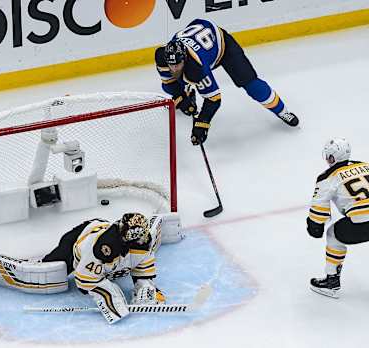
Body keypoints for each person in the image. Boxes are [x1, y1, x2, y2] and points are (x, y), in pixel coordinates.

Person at [0, 212, 184, 324]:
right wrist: (108, 297)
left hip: (103, 238)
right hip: (77, 241)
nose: (144, 240)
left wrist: (145, 286)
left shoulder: (142, 241)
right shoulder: (103, 247)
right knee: (50, 273)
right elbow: (84, 279)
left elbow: (143, 265)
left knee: (126, 274)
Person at [155, 18, 299, 146]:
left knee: (251, 84)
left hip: (223, 46)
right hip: (199, 33)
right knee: (177, 80)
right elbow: (168, 84)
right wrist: (181, 97)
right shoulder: (162, 57)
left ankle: (282, 111)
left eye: (177, 64)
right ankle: (188, 92)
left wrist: (202, 123)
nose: (173, 68)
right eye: (171, 64)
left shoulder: (196, 67)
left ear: (184, 58)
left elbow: (214, 99)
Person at [307, 138, 369, 298]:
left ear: (332, 157)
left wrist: (315, 226)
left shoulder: (327, 177)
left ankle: (331, 281)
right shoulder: (364, 165)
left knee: (333, 235)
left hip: (361, 223)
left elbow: (319, 208)